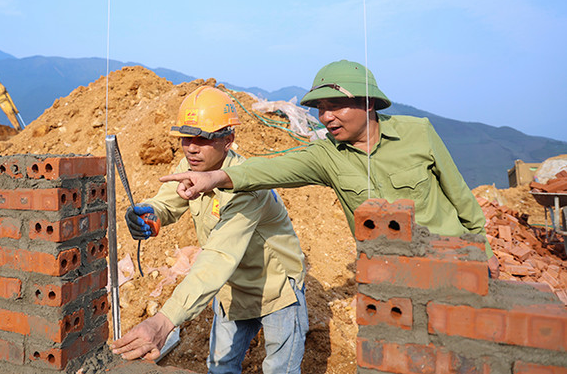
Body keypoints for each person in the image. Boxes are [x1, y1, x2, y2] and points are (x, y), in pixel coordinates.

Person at [160, 60, 500, 278]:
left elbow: (461, 199)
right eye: (321, 109)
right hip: (393, 273)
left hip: (453, 261)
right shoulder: (327, 154)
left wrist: (482, 250)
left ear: (367, 103)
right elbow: (272, 170)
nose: (325, 117)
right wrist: (214, 177)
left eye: (334, 106)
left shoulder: (419, 132)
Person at [110, 86, 309, 374]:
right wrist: (149, 213)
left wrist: (165, 320)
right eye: (185, 138)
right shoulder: (190, 166)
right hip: (231, 289)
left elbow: (218, 256)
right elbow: (168, 201)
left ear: (228, 140)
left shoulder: (249, 188)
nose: (191, 147)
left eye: (202, 139)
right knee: (220, 367)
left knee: (281, 370)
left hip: (275, 289)